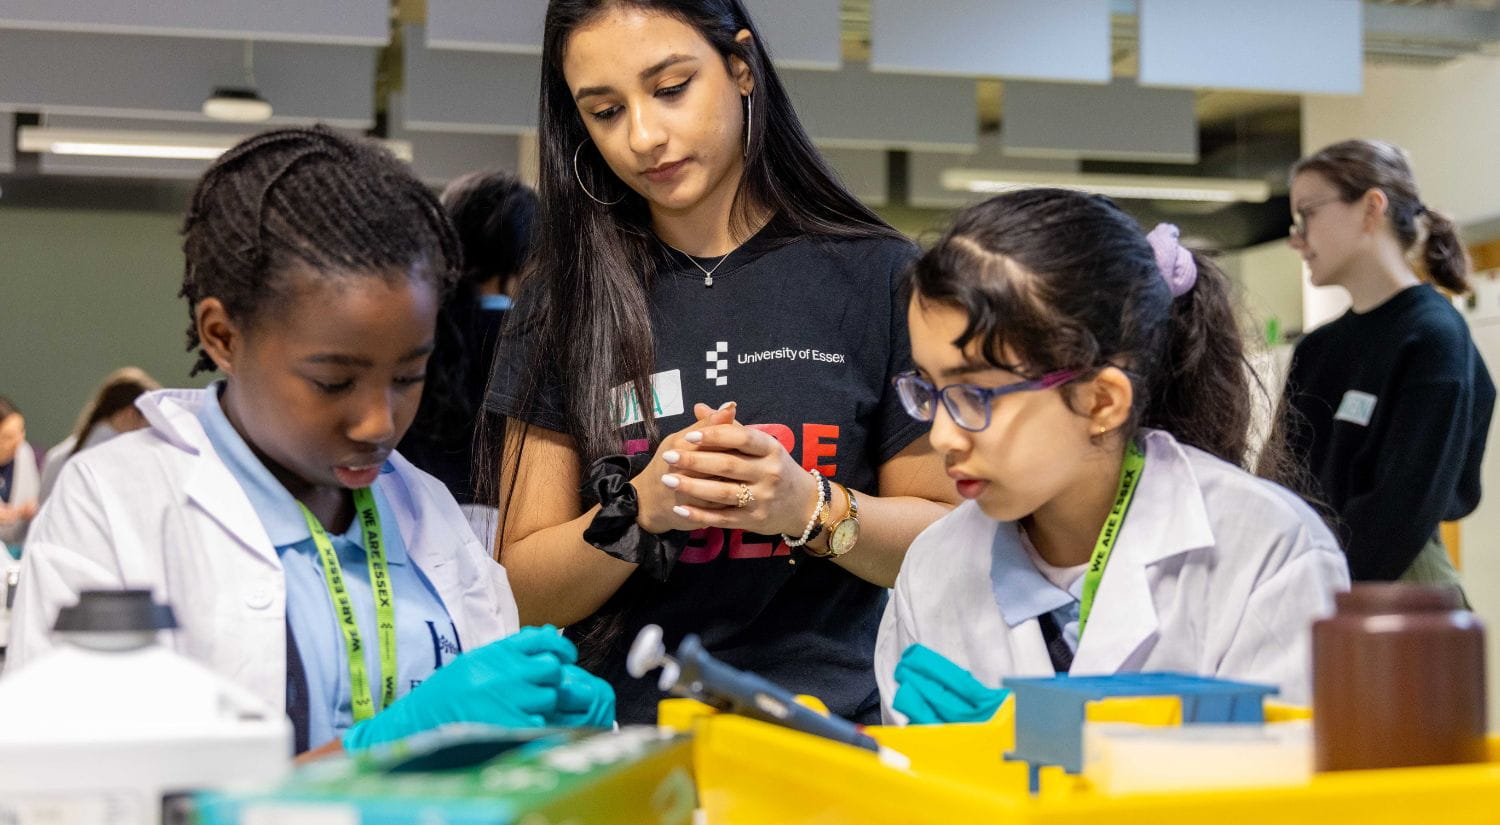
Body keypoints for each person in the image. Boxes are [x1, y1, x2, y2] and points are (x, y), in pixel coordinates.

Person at [7, 127, 613, 756]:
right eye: (333, 381)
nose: (378, 423)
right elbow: (85, 789)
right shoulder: (115, 503)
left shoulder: (424, 509)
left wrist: (554, 736)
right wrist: (385, 749)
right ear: (221, 336)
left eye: (408, 376)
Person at [488, 0, 956, 724]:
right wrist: (640, 510)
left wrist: (806, 507)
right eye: (607, 111)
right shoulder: (564, 301)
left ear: (741, 68)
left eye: (671, 88)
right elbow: (517, 591)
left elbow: (945, 545)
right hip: (623, 745)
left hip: (831, 739)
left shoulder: (879, 275)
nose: (645, 135)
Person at [875, 189, 1350, 724]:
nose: (942, 436)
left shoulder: (1266, 548)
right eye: (930, 389)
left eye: (974, 396)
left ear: (1101, 400)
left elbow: (1287, 793)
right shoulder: (934, 564)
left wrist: (1047, 747)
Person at [1269, 139, 1494, 592]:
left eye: (1307, 214)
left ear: (1372, 208)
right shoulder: (1317, 349)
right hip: (1311, 580)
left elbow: (1402, 511)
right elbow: (1279, 482)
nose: (1297, 238)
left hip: (1392, 590)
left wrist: (1318, 585)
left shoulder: (1433, 337)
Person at [398, 171, 538, 549]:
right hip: (513, 543)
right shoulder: (538, 342)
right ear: (527, 257)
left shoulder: (411, 335)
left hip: (410, 530)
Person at [38, 367, 160, 503]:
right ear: (129, 414)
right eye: (149, 420)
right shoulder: (122, 461)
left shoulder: (57, 456)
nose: (151, 428)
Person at [0, 397, 39, 549]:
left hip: (20, 549)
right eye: (7, 437)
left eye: (21, 432)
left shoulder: (24, 453)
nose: (18, 441)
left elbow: (34, 499)